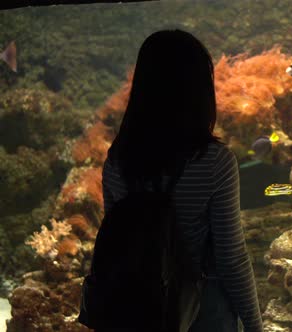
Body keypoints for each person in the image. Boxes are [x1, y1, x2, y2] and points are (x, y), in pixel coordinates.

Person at [102, 29, 263, 332]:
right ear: (199, 89)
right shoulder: (215, 161)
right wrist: (255, 325)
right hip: (201, 313)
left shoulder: (116, 160)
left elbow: (112, 242)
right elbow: (231, 257)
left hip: (133, 311)